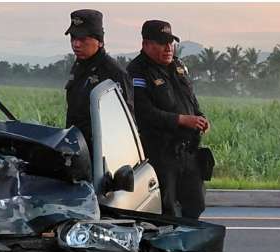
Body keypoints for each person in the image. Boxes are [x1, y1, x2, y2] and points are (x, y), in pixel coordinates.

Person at [127, 20, 210, 219]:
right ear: (146, 44)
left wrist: (200, 117)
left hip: (187, 152)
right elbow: (143, 112)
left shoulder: (178, 66)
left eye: (171, 43)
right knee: (167, 210)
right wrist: (180, 120)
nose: (168, 48)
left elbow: (190, 99)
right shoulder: (137, 71)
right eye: (161, 43)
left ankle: (188, 247)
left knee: (195, 205)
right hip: (160, 153)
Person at [64, 9, 134, 152]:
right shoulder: (78, 66)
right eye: (73, 37)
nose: (76, 44)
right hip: (77, 150)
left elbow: (125, 125)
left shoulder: (114, 73)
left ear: (100, 41)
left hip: (102, 156)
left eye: (83, 39)